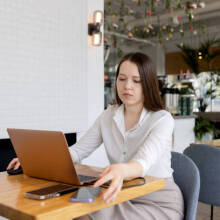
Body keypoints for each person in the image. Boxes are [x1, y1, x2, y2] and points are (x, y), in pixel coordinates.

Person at [7, 52, 184, 220]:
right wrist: (37, 160)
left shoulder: (162, 119)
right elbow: (78, 151)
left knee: (83, 210)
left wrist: (120, 169)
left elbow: (142, 162)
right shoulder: (109, 115)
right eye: (122, 79)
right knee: (72, 205)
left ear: (148, 84)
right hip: (121, 193)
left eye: (136, 81)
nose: (127, 86)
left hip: (157, 202)